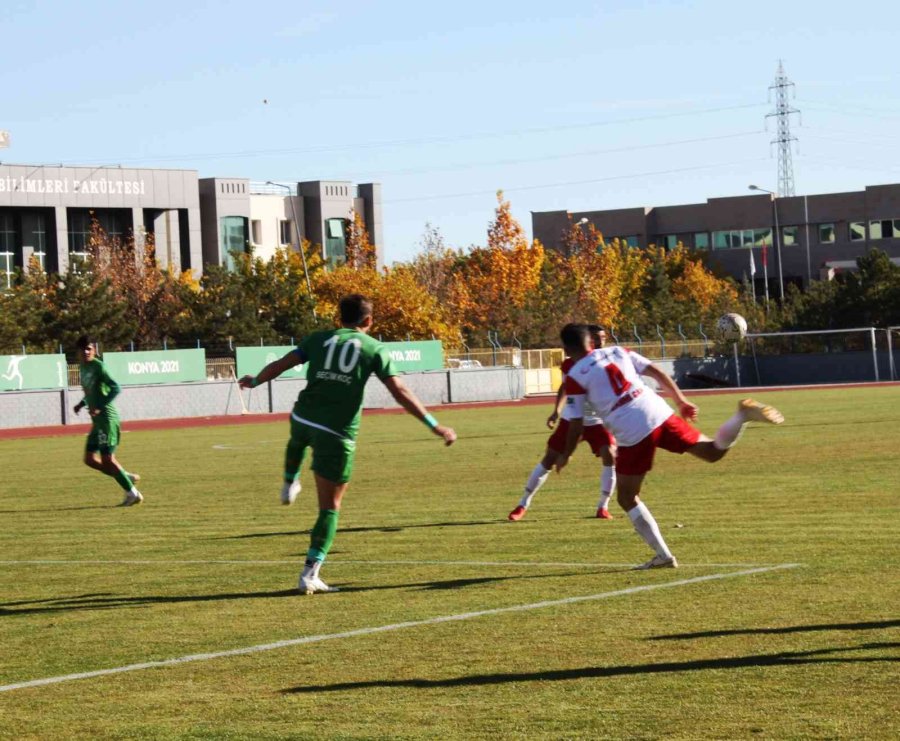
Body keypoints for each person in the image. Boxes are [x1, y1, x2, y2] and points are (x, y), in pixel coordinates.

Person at [239, 294, 457, 595]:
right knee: (330, 507)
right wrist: (435, 425)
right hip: (337, 431)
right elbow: (400, 391)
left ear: (338, 317)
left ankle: (289, 481)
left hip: (303, 417)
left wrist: (254, 382)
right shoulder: (373, 348)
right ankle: (310, 574)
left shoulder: (320, 338)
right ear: (368, 321)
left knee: (298, 440)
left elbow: (282, 364)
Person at [557, 336, 783, 570]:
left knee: (627, 497)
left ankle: (663, 556)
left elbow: (575, 422)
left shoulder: (575, 374)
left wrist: (566, 453)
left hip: (631, 429)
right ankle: (741, 416)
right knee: (712, 452)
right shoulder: (617, 351)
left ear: (567, 349)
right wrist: (680, 400)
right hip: (658, 411)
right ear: (591, 344)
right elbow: (656, 371)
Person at [508, 323, 617, 521]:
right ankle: (523, 504)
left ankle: (603, 506)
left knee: (610, 455)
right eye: (596, 337)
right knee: (549, 459)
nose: (600, 341)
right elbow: (565, 388)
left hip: (598, 421)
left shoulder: (609, 359)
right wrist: (556, 411)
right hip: (571, 419)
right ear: (587, 341)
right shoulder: (570, 364)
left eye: (603, 337)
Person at [73, 335, 143, 506]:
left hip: (107, 419)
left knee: (108, 459)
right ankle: (125, 477)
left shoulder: (99, 367)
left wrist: (100, 406)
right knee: (89, 459)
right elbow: (91, 391)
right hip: (97, 422)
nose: (86, 351)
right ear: (78, 352)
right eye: (83, 349)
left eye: (89, 348)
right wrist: (82, 404)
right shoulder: (83, 367)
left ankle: (132, 494)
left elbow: (115, 388)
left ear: (94, 350)